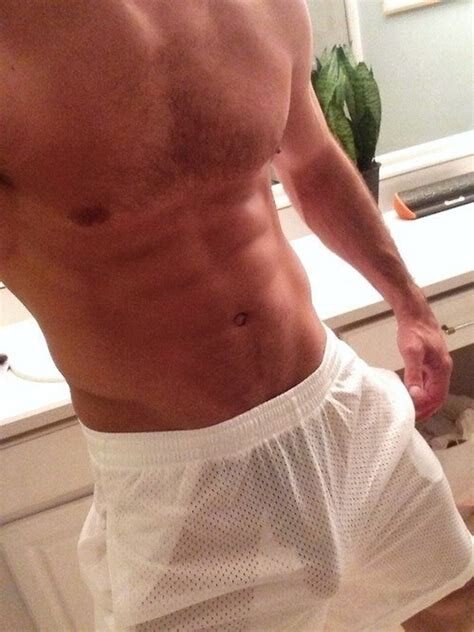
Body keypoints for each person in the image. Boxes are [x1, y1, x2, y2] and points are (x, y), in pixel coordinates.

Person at [1, 1, 472, 630]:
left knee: (454, 600)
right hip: (181, 476)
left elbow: (313, 162)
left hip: (338, 409)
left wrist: (410, 305)